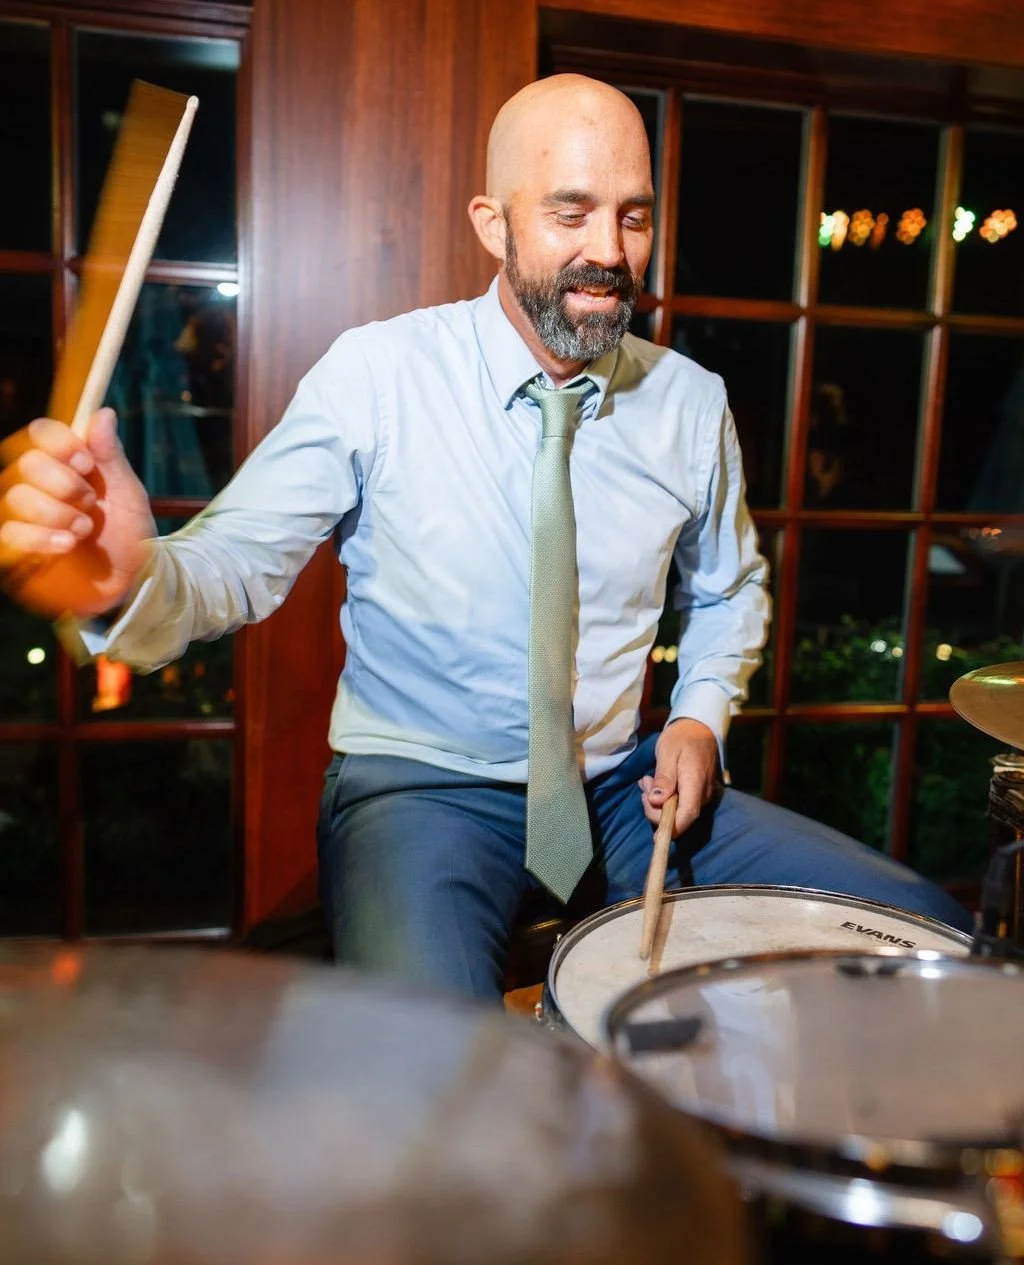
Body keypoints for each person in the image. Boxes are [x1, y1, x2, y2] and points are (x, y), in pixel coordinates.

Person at [0, 75, 971, 1001]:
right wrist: (124, 575)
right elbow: (231, 569)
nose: (609, 251)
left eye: (633, 216)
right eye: (570, 213)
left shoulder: (689, 401)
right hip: (419, 786)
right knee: (445, 1075)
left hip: (619, 787)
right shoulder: (376, 375)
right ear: (492, 224)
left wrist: (698, 716)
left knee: (924, 930)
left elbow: (728, 588)